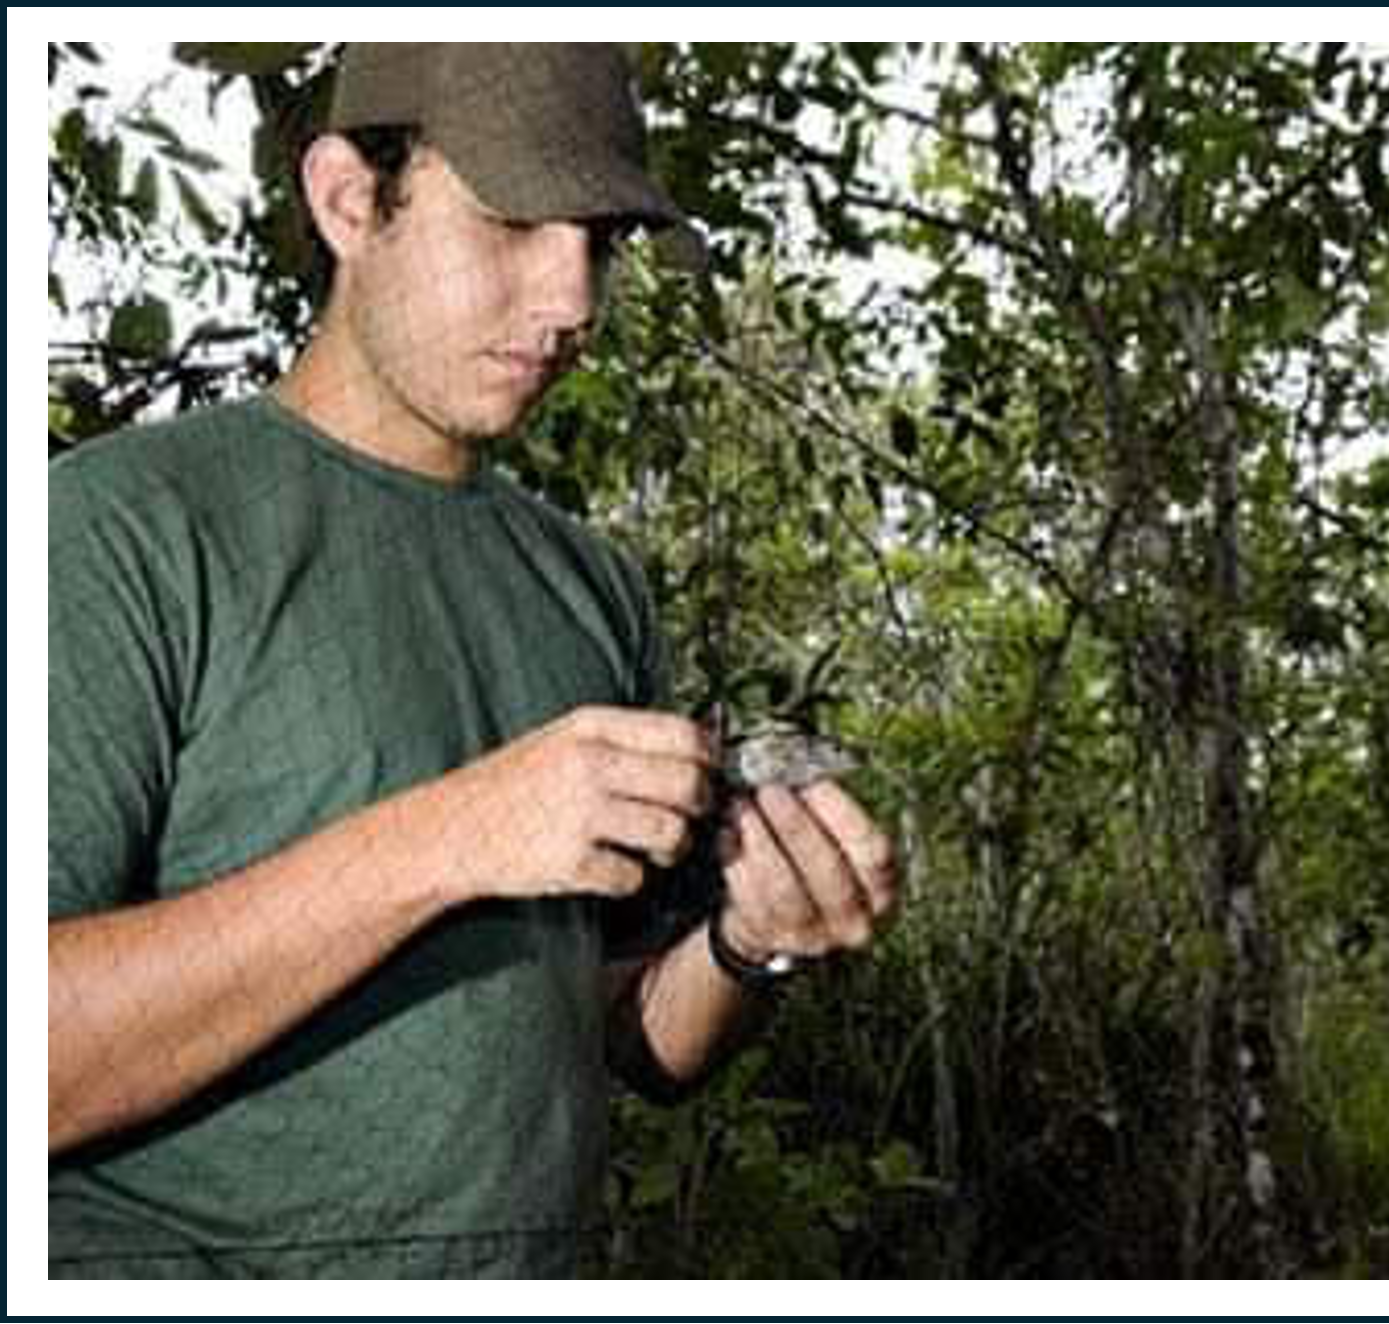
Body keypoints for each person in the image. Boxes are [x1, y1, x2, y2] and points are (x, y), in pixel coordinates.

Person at [47, 43, 898, 1277]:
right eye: (509, 224)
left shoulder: (588, 587)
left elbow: (625, 1034)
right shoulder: (119, 531)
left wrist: (748, 943)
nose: (573, 302)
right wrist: (451, 835)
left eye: (597, 241)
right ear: (348, 199)